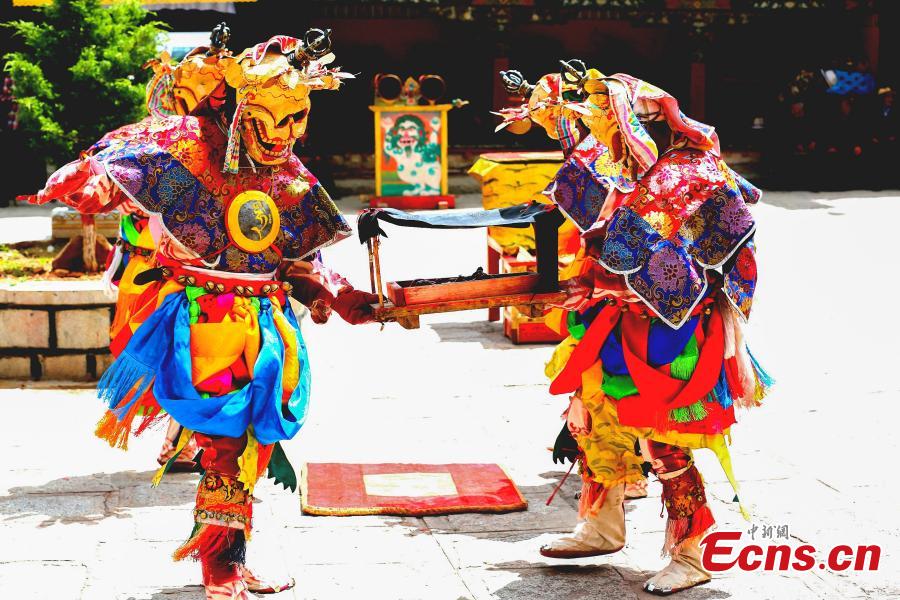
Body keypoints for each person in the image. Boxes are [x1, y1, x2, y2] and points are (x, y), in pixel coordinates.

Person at [24, 30, 376, 599]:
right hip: (202, 321)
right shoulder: (184, 152)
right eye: (274, 119)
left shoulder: (290, 180)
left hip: (268, 329)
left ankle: (227, 554)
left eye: (299, 118)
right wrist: (85, 182)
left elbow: (296, 263)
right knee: (226, 447)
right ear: (241, 110)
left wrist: (336, 296)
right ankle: (221, 570)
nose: (290, 135)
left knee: (249, 450)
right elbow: (117, 169)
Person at [504, 63, 771, 595]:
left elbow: (708, 256)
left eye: (606, 117)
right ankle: (602, 527)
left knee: (661, 442)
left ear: (639, 121)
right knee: (595, 420)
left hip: (672, 328)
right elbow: (598, 231)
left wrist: (617, 281)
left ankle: (692, 553)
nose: (597, 127)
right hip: (612, 320)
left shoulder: (692, 174)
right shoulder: (628, 168)